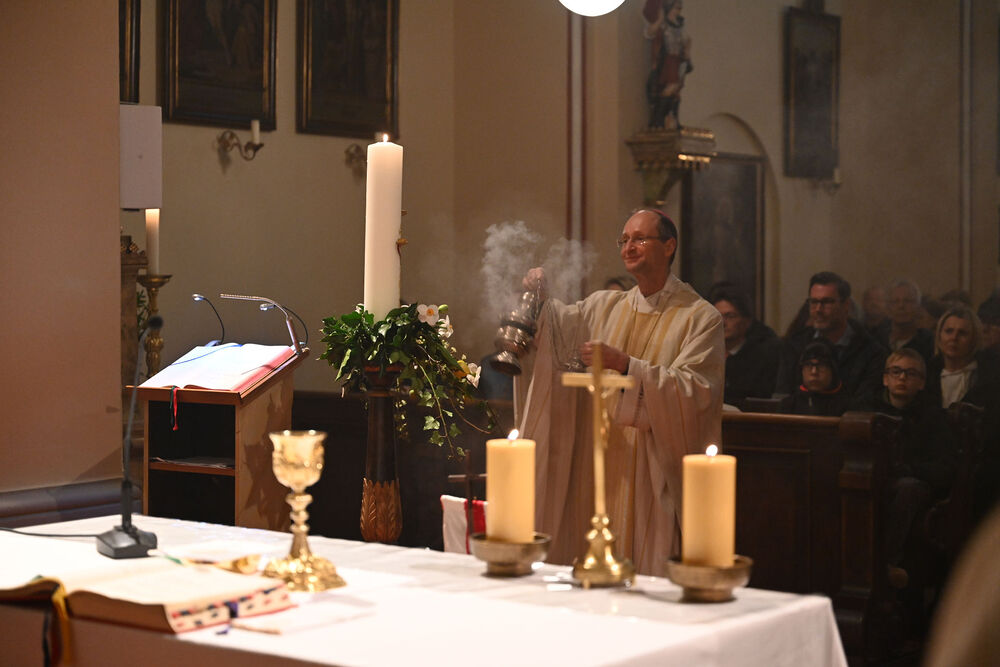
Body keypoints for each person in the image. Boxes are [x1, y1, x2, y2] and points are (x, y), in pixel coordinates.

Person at [519, 209, 724, 576]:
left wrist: (628, 365)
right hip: (599, 462)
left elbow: (697, 391)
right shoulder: (604, 306)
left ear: (669, 246)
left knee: (646, 571)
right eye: (624, 240)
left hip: (650, 468)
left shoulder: (700, 317)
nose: (629, 247)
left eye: (640, 239)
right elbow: (557, 335)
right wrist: (540, 300)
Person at [776, 271, 886, 399]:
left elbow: (866, 402)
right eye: (814, 302)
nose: (818, 309)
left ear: (846, 305)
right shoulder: (794, 346)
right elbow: (782, 397)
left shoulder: (871, 352)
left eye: (826, 302)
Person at [710, 286, 779, 408]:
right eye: (717, 316)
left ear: (747, 321)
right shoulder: (706, 353)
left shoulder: (762, 357)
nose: (722, 323)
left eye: (730, 316)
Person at [642, 0, 692, 129]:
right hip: (668, 60)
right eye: (676, 8)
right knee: (670, 87)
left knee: (676, 90)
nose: (678, 11)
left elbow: (685, 42)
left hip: (678, 60)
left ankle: (672, 118)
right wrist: (659, 20)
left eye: (680, 8)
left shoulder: (680, 25)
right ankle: (658, 118)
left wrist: (687, 53)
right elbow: (649, 33)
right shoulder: (664, 24)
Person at [779, 340, 850, 416]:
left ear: (833, 370)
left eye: (821, 365)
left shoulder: (848, 407)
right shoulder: (788, 406)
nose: (814, 372)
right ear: (801, 370)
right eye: (808, 365)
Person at [876, 279, 935, 366]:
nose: (901, 306)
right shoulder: (877, 341)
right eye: (895, 301)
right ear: (888, 308)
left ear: (918, 307)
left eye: (907, 301)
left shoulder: (929, 343)